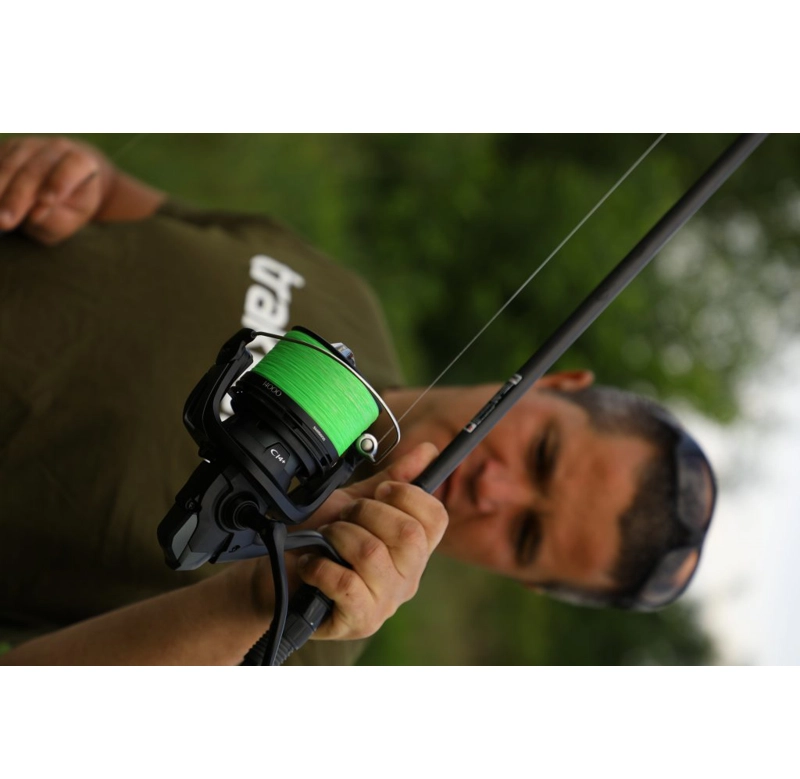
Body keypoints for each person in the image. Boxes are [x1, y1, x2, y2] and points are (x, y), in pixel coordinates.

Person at [0, 136, 716, 665]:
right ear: (553, 384)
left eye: (525, 535)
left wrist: (256, 599)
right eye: (542, 454)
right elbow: (112, 198)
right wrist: (68, 174)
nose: (494, 491)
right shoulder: (346, 296)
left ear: (519, 581)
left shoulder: (310, 625)